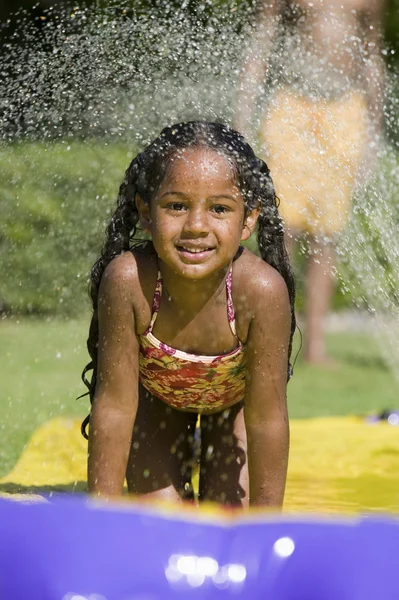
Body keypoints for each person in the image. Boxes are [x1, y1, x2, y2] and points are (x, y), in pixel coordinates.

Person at [80, 121, 296, 508]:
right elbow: (113, 407)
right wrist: (101, 521)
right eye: (176, 206)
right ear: (146, 213)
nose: (196, 226)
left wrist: (267, 528)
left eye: (219, 208)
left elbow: (267, 419)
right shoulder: (130, 281)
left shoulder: (260, 292)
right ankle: (181, 447)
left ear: (248, 219)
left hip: (234, 413)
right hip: (155, 406)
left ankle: (205, 447)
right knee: (163, 526)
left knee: (228, 521)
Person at [235, 0, 385, 364]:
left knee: (326, 238)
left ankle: (315, 346)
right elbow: (262, 41)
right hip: (293, 107)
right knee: (279, 231)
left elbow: (371, 55)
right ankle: (267, 336)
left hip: (345, 113)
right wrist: (242, 117)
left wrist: (373, 133)